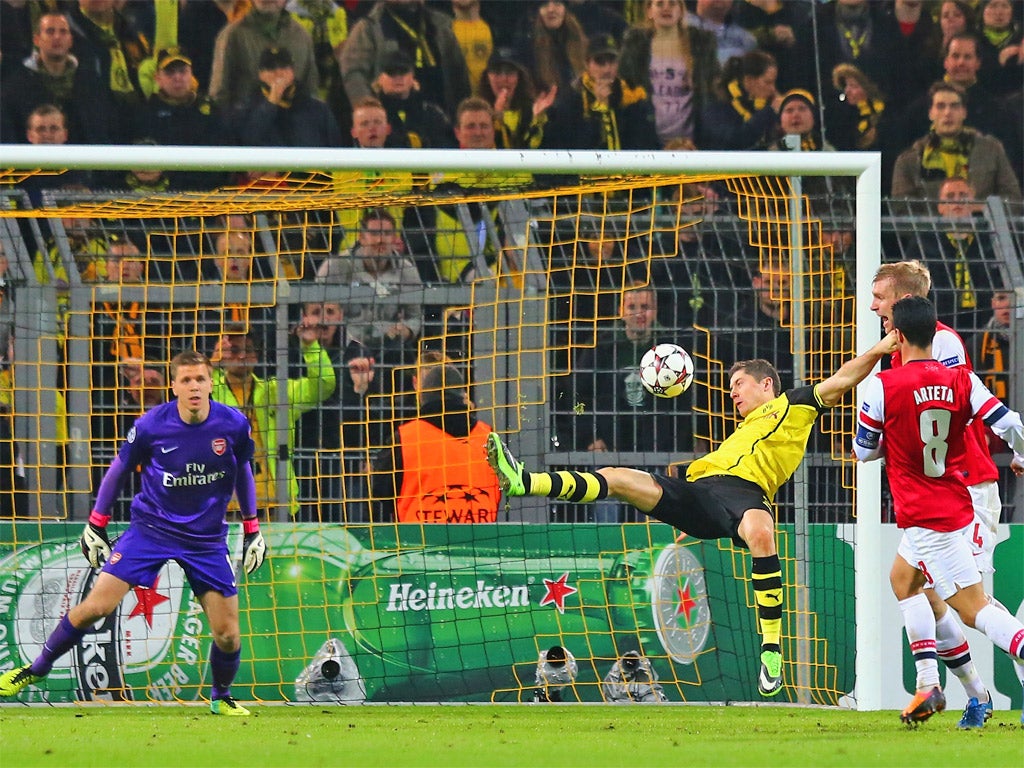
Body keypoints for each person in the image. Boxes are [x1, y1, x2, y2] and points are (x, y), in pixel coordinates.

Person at [487, 330, 900, 697]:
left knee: (761, 529)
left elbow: (845, 377)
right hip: (703, 494)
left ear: (767, 384)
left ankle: (771, 649)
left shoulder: (792, 405)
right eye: (731, 386)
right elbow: (696, 474)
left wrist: (882, 346)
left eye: (740, 384)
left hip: (746, 497)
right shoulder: (737, 436)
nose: (733, 392)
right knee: (619, 477)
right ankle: (527, 482)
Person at [0, 350, 267, 716]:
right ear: (174, 385)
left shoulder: (233, 424)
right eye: (186, 380)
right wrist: (97, 523)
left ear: (210, 384)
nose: (193, 387)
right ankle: (34, 670)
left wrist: (252, 529)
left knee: (228, 634)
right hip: (151, 530)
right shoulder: (151, 425)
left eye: (200, 379)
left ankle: (221, 698)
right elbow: (118, 470)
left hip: (206, 539)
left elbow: (243, 471)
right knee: (96, 607)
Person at [852, 295, 1024, 726]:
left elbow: (862, 450)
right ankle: (932, 684)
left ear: (898, 335)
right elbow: (1007, 421)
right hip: (955, 500)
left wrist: (894, 438)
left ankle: (947, 685)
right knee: (903, 580)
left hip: (928, 517)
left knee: (973, 609)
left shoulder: (885, 384)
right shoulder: (961, 380)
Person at [211, 322, 336, 519]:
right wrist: (212, 367)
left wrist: (310, 346)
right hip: (225, 508)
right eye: (234, 350)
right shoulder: (209, 393)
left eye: (248, 350)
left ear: (257, 355)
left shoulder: (276, 392)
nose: (242, 356)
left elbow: (323, 385)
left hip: (274, 504)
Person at [370, 359, 499, 523]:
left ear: (423, 397)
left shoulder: (404, 439)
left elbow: (381, 490)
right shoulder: (488, 436)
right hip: (481, 541)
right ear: (462, 396)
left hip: (420, 542)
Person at [315, 208, 423, 366]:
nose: (380, 240)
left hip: (388, 349)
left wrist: (407, 330)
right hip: (344, 350)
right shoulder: (335, 267)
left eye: (386, 234)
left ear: (394, 239)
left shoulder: (407, 270)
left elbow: (415, 315)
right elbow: (316, 309)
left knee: (402, 353)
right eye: (374, 233)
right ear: (362, 238)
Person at [339, 0, 471, 120]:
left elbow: (459, 78)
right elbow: (354, 75)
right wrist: (370, 115)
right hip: (392, 126)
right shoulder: (368, 28)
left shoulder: (441, 25)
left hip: (442, 123)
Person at [890, 82, 1021, 202]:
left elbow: (1014, 199)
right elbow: (901, 211)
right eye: (941, 106)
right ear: (930, 113)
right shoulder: (908, 161)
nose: (947, 113)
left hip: (982, 227)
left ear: (964, 112)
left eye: (954, 106)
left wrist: (978, 209)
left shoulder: (992, 150)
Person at [0, 10, 112, 145]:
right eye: (50, 31)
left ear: (71, 40)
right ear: (37, 40)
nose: (57, 37)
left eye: (63, 32)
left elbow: (104, 130)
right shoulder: (15, 87)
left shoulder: (92, 83)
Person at [617, 0, 719, 147]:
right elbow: (624, 86)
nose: (666, 8)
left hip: (690, 143)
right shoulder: (635, 44)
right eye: (660, 4)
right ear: (649, 11)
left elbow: (713, 88)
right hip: (645, 140)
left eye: (672, 4)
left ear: (681, 11)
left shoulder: (701, 44)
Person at [542, 34, 660, 151]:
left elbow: (644, 140)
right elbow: (576, 145)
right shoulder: (572, 97)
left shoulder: (632, 95)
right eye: (600, 62)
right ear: (587, 64)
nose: (607, 69)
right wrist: (600, 109)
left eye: (612, 61)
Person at [209, 0, 319, 113]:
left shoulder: (302, 36)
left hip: (294, 126)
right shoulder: (232, 36)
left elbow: (311, 93)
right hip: (246, 126)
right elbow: (219, 97)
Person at [234, 45, 343, 147]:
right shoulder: (247, 110)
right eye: (271, 68)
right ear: (260, 74)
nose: (278, 73)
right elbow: (248, 140)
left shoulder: (317, 109)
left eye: (284, 67)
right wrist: (271, 103)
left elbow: (336, 149)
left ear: (292, 71)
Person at [698, 49, 781, 150]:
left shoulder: (763, 106)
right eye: (768, 82)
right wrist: (769, 112)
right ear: (749, 81)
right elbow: (737, 140)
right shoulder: (716, 108)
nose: (773, 89)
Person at [477, 47, 557, 150]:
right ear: (487, 77)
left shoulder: (531, 112)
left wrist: (538, 121)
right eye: (497, 72)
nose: (503, 78)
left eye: (509, 72)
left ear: (519, 77)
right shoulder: (476, 112)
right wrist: (496, 118)